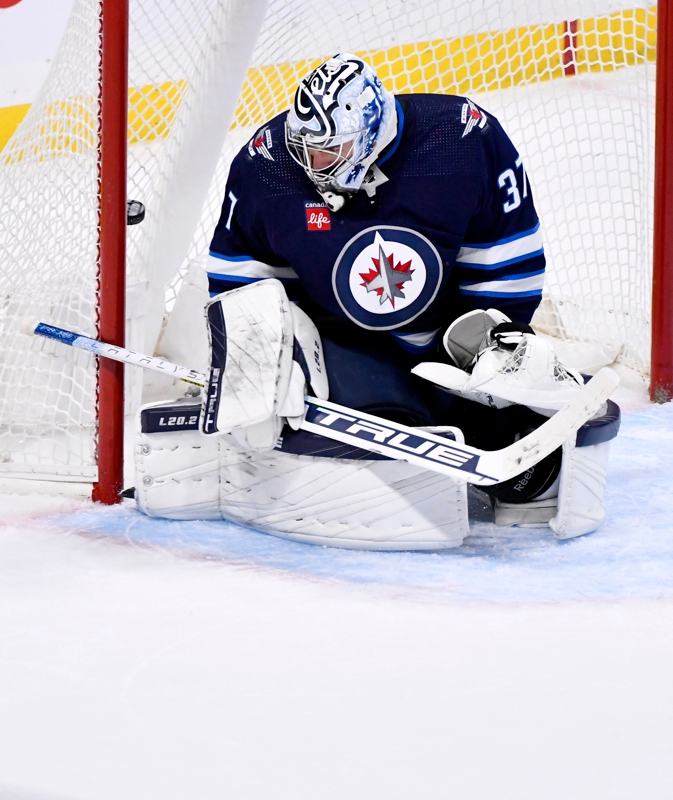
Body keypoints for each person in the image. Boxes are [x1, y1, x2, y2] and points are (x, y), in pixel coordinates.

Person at [135, 54, 616, 548]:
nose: (312, 164)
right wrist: (270, 356)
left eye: (329, 150)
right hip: (343, 346)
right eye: (306, 148)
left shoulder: (462, 139)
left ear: (369, 133)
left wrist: (494, 337)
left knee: (526, 465)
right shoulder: (269, 166)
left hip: (449, 344)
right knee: (385, 446)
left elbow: (506, 255)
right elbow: (241, 278)